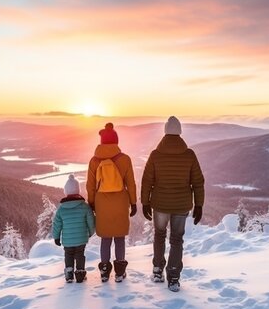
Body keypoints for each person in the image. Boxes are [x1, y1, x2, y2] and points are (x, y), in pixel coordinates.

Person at [141, 116, 205, 292]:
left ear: (165, 131)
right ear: (180, 132)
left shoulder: (155, 154)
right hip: (181, 205)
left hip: (160, 204)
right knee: (177, 240)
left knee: (159, 235)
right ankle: (174, 277)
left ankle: (157, 269)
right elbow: (198, 182)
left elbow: (147, 180)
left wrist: (145, 202)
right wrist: (199, 205)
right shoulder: (189, 155)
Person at [86, 123, 137, 282]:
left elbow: (90, 185)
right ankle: (120, 273)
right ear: (116, 141)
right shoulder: (125, 159)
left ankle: (105, 271)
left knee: (106, 238)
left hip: (102, 203)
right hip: (121, 201)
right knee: (119, 237)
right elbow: (131, 182)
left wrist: (92, 203)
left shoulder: (94, 161)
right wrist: (133, 202)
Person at [53, 174, 95, 283]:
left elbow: (56, 224)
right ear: (78, 190)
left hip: (67, 241)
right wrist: (91, 232)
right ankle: (80, 273)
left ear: (66, 191)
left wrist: (56, 237)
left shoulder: (61, 209)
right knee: (80, 255)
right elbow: (91, 220)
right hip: (81, 238)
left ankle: (69, 273)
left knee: (68, 255)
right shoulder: (84, 206)